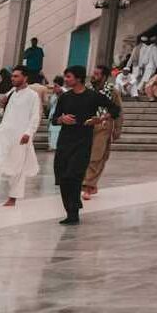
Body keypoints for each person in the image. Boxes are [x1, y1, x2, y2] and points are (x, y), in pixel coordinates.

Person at [50, 65, 119, 225]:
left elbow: (115, 109)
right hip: (65, 141)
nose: (66, 80)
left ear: (79, 78)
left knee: (73, 176)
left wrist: (101, 119)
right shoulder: (65, 97)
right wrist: (62, 119)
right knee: (63, 178)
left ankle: (73, 212)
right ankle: (71, 207)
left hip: (83, 142)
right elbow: (53, 119)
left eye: (69, 77)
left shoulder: (92, 96)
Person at [0, 66, 43, 207]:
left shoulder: (32, 95)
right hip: (4, 134)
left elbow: (35, 117)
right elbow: (4, 113)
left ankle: (13, 198)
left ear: (25, 78)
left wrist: (28, 133)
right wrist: (2, 106)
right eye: (12, 76)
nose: (12, 78)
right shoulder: (11, 92)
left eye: (16, 76)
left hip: (20, 136)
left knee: (17, 167)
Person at [82, 65, 123, 200]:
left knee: (97, 156)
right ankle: (89, 184)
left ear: (104, 77)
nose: (94, 76)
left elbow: (118, 110)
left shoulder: (112, 91)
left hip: (104, 126)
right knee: (85, 156)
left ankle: (88, 186)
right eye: (93, 73)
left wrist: (117, 128)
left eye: (97, 74)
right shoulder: (87, 89)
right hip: (87, 125)